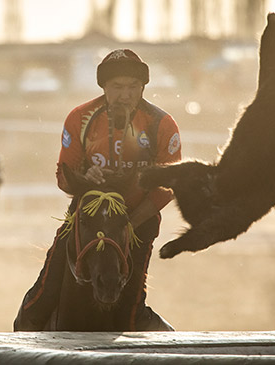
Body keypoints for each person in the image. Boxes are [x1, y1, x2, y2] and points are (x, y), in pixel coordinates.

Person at [13, 49, 182, 331]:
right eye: (117, 87)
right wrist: (84, 176)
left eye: (133, 87)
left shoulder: (162, 124)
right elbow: (63, 178)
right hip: (86, 218)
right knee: (38, 302)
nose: (125, 95)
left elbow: (168, 187)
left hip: (137, 219)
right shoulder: (80, 118)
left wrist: (130, 224)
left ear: (143, 87)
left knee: (131, 313)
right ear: (104, 87)